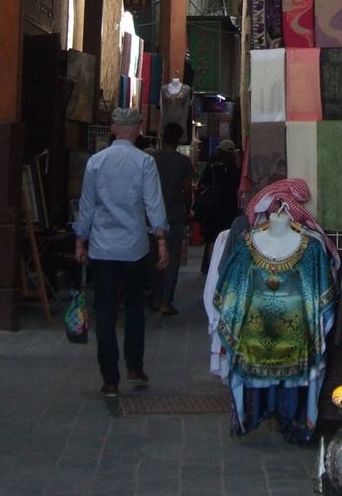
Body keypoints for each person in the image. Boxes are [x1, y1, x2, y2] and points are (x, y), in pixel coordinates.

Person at [74, 106, 168, 396]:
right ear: (138, 130)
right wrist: (161, 238)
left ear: (114, 129)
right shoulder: (145, 163)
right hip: (135, 247)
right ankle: (135, 365)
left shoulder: (96, 162)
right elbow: (153, 203)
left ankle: (110, 378)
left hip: (103, 248)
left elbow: (86, 204)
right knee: (135, 307)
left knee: (104, 311)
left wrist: (80, 239)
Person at [149, 122, 193, 315]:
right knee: (172, 257)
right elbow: (187, 190)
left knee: (153, 255)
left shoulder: (152, 160)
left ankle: (154, 298)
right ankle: (166, 301)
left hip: (152, 213)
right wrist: (188, 209)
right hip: (174, 213)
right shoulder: (183, 162)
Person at [194, 141, 240, 273]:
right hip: (229, 206)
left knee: (212, 238)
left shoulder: (212, 164)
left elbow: (203, 182)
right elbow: (237, 184)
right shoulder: (234, 167)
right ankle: (225, 266)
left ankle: (211, 269)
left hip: (213, 206)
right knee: (227, 236)